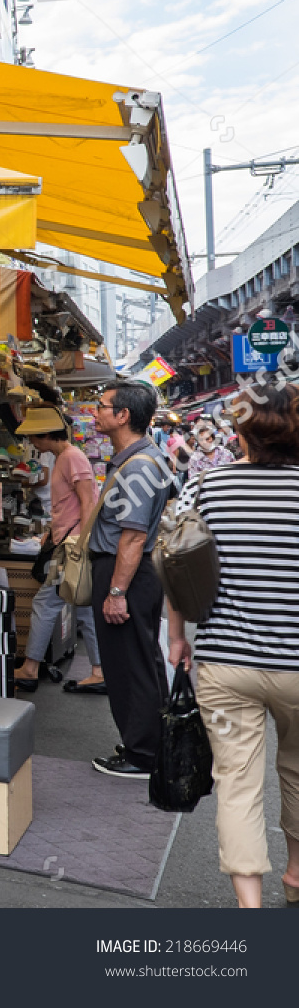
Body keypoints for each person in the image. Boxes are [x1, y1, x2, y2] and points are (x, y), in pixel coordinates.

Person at [167, 380, 299, 908]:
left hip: (225, 664)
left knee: (238, 784)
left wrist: (177, 635)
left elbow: (174, 560)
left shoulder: (205, 486)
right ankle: (295, 876)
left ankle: (249, 908)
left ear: (242, 428)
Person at [88, 380, 176, 778]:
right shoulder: (141, 458)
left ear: (123, 415)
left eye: (102, 406)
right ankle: (154, 744)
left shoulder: (139, 465)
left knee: (128, 664)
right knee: (142, 658)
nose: (95, 411)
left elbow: (134, 536)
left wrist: (116, 592)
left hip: (127, 571)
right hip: (133, 570)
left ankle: (142, 753)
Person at [12, 407, 105, 695]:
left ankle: (29, 668)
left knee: (44, 603)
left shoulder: (71, 457)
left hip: (71, 546)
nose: (33, 444)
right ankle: (99, 671)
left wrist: (80, 544)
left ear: (46, 435)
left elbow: (88, 501)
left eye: (34, 437)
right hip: (69, 542)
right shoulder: (66, 457)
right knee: (85, 609)